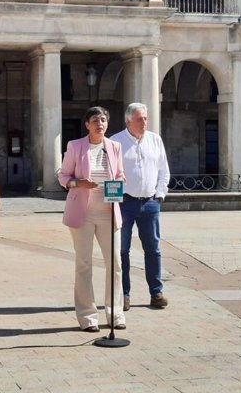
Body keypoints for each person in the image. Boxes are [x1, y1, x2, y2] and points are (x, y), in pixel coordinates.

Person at [58, 106, 127, 332]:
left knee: (115, 263)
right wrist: (79, 184)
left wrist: (118, 186)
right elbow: (63, 176)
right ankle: (88, 317)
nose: (100, 124)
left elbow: (120, 176)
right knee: (84, 264)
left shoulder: (114, 147)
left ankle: (115, 313)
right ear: (87, 124)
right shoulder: (75, 146)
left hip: (108, 211)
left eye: (104, 120)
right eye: (96, 120)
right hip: (83, 212)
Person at [111, 103, 170, 311]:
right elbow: (110, 174)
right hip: (124, 203)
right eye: (139, 119)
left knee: (153, 248)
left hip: (150, 202)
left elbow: (164, 169)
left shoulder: (155, 140)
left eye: (145, 118)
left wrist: (160, 195)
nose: (144, 122)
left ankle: (156, 292)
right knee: (123, 249)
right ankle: (124, 295)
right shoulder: (115, 142)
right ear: (128, 121)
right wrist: (114, 200)